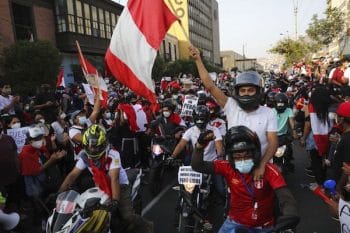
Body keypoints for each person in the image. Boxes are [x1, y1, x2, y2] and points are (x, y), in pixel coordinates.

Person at [189, 46, 278, 180]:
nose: (246, 93)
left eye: (250, 90)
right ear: (237, 92)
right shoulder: (231, 106)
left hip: (261, 170)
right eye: (243, 90)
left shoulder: (269, 113)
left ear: (258, 91)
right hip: (234, 170)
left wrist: (262, 165)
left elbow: (273, 142)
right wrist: (198, 60)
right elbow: (210, 86)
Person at [191, 126, 299, 233]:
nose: (242, 160)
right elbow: (197, 165)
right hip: (234, 223)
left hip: (265, 227)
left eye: (247, 155)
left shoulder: (269, 170)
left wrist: (289, 218)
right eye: (237, 156)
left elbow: (285, 197)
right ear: (231, 157)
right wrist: (200, 146)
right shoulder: (227, 167)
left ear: (255, 153)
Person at [59, 124, 153, 233]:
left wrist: (115, 201)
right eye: (89, 146)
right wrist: (59, 193)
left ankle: (148, 227)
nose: (92, 149)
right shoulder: (84, 156)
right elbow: (72, 175)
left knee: (127, 216)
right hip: (100, 187)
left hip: (120, 186)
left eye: (95, 146)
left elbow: (114, 179)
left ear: (103, 144)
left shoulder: (113, 155)